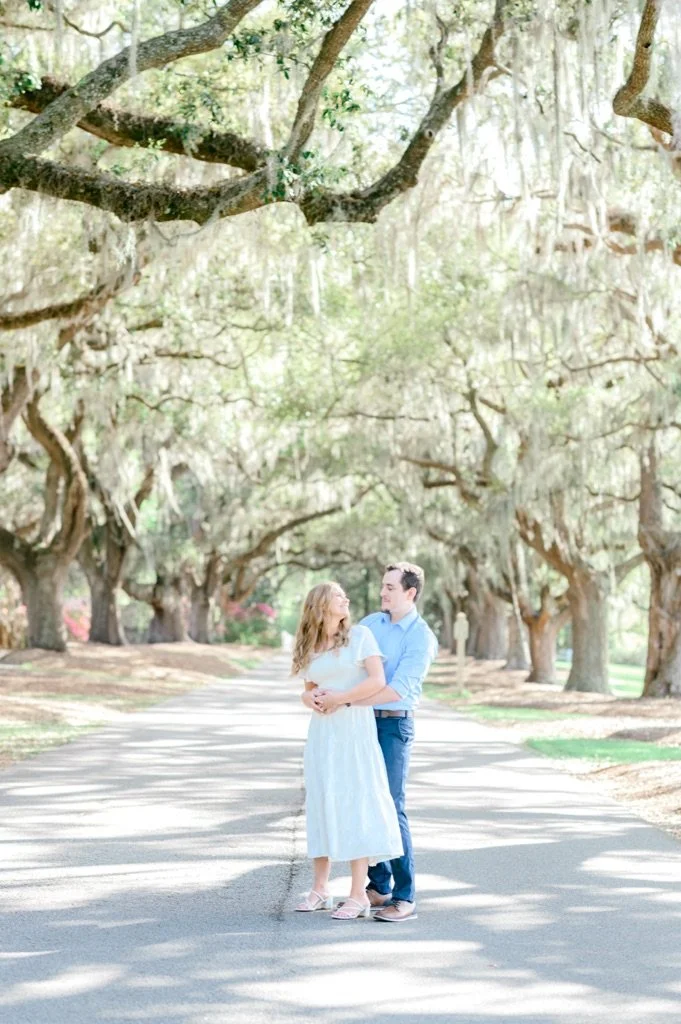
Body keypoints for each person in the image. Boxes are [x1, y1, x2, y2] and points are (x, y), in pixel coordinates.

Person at [313, 562, 437, 922]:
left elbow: (398, 690)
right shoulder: (370, 624)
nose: (382, 592)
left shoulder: (420, 636)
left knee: (390, 804)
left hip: (393, 724)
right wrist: (319, 693)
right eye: (383, 586)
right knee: (361, 800)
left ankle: (404, 896)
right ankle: (378, 885)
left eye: (390, 588)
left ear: (410, 593)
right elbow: (340, 662)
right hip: (358, 724)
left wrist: (344, 700)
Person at [293, 581, 403, 921]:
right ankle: (320, 888)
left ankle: (358, 895)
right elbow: (309, 688)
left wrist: (340, 699)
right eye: (339, 596)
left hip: (354, 729)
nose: (346, 600)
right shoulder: (310, 644)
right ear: (321, 603)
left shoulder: (360, 637)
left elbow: (377, 681)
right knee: (321, 801)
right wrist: (309, 699)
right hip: (323, 733)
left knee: (356, 802)